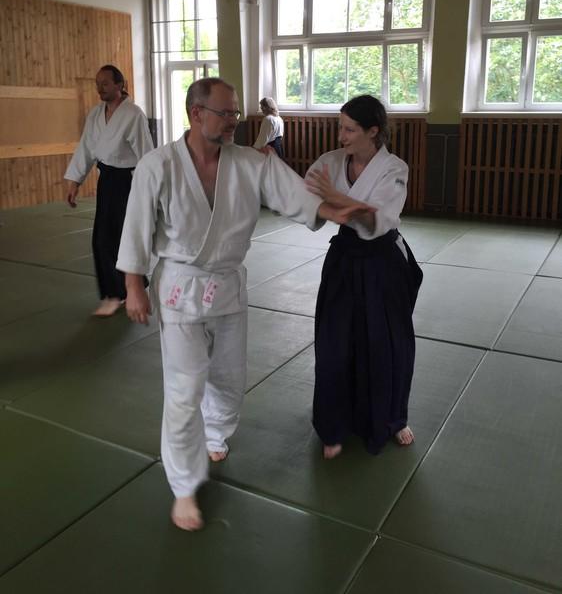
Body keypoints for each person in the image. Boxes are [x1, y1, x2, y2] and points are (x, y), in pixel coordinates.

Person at [116, 77, 371, 532]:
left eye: (236, 112)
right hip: (180, 288)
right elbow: (136, 224)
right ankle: (184, 486)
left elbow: (291, 193)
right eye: (225, 112)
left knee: (230, 379)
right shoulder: (158, 165)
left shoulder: (250, 162)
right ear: (196, 113)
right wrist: (133, 283)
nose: (234, 120)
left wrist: (329, 211)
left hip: (228, 286)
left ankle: (216, 435)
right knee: (184, 387)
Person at [305, 95, 423, 460]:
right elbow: (306, 196)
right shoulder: (330, 162)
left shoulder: (394, 168)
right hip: (344, 259)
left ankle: (392, 417)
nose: (341, 136)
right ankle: (333, 425)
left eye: (350, 130)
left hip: (383, 262)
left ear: (373, 131)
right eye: (340, 127)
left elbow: (376, 219)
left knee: (388, 343)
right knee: (334, 342)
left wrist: (335, 197)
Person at [65, 65, 153, 317]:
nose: (100, 88)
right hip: (107, 180)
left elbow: (146, 153)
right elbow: (86, 148)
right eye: (97, 83)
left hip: (128, 182)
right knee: (104, 238)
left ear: (119, 84)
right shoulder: (95, 115)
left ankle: (122, 291)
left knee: (120, 237)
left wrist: (149, 189)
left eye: (105, 83)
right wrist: (74, 180)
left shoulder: (133, 115)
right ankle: (117, 292)